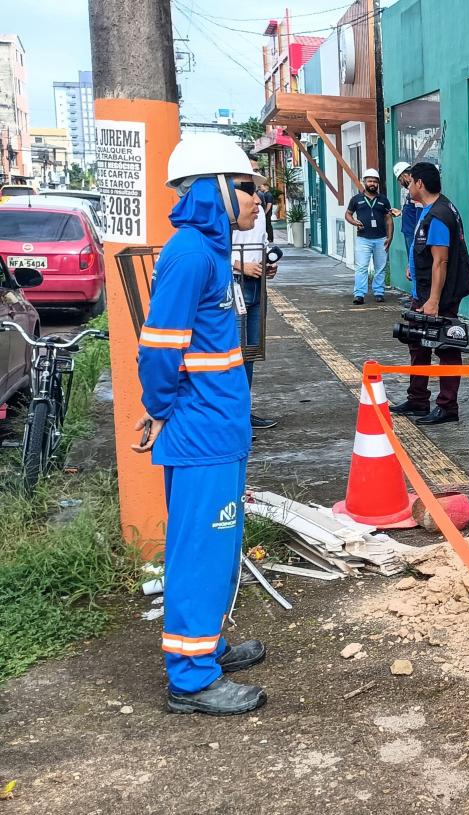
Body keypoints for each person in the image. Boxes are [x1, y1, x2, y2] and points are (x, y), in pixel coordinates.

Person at [135, 132, 268, 715]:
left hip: (219, 427)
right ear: (215, 190)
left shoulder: (211, 252)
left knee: (220, 542)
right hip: (200, 433)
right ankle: (190, 677)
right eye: (247, 188)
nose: (258, 199)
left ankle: (206, 645)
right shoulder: (190, 254)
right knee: (200, 547)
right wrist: (159, 409)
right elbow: (159, 351)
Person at [390, 161, 469, 426]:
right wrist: (413, 266)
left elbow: (441, 261)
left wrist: (434, 301)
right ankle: (417, 399)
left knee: (446, 346)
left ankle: (447, 406)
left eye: (411, 181)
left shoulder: (438, 215)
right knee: (417, 343)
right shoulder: (432, 209)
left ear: (420, 184)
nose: (408, 185)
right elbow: (427, 252)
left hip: (438, 296)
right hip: (425, 290)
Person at [232, 166, 279, 430]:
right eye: (250, 189)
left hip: (255, 283)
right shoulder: (223, 213)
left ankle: (243, 412)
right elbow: (215, 248)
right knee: (233, 351)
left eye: (258, 189)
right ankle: (233, 417)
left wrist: (267, 264)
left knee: (250, 350)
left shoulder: (257, 213)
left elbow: (261, 243)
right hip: (233, 283)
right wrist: (241, 265)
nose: (257, 198)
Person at [346, 168, 392, 304]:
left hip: (381, 238)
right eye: (369, 181)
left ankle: (379, 292)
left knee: (380, 267)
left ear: (378, 183)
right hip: (363, 239)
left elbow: (389, 220)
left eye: (375, 181)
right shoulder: (356, 199)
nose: (372, 183)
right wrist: (354, 222)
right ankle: (359, 294)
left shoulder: (384, 200)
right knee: (361, 267)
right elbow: (348, 214)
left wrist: (390, 237)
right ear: (364, 182)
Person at [392, 161, 419, 300]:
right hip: (409, 232)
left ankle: (417, 297)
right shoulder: (410, 192)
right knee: (412, 263)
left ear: (405, 175)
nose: (400, 182)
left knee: (415, 264)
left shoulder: (416, 191)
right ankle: (415, 295)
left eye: (400, 179)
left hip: (414, 234)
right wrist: (401, 213)